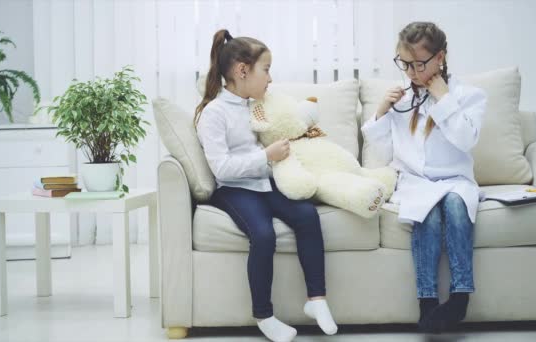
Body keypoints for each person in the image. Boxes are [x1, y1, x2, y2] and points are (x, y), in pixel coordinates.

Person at [195, 29, 338, 342]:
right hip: (233, 189)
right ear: (241, 70)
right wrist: (266, 156)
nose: (270, 79)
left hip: (264, 182)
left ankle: (317, 300)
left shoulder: (256, 105)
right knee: (262, 234)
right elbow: (221, 168)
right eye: (267, 70)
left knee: (307, 216)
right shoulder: (213, 114)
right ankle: (264, 315)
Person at [361, 22, 487, 333]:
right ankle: (427, 301)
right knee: (427, 214)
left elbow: (466, 139)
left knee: (456, 205)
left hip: (455, 179)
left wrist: (444, 99)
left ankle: (460, 297)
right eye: (405, 64)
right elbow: (384, 149)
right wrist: (381, 111)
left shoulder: (469, 95)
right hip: (415, 182)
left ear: (440, 57)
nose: (412, 72)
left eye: (419, 64)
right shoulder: (402, 97)